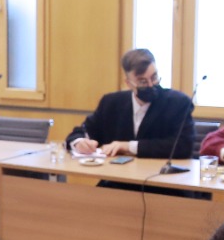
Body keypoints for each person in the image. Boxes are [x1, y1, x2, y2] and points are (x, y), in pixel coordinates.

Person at [66, 48, 194, 158]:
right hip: (116, 176)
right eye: (142, 81)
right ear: (128, 83)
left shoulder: (178, 103)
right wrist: (79, 142)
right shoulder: (111, 103)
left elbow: (183, 146)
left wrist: (128, 146)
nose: (151, 85)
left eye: (154, 77)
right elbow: (81, 131)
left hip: (161, 177)